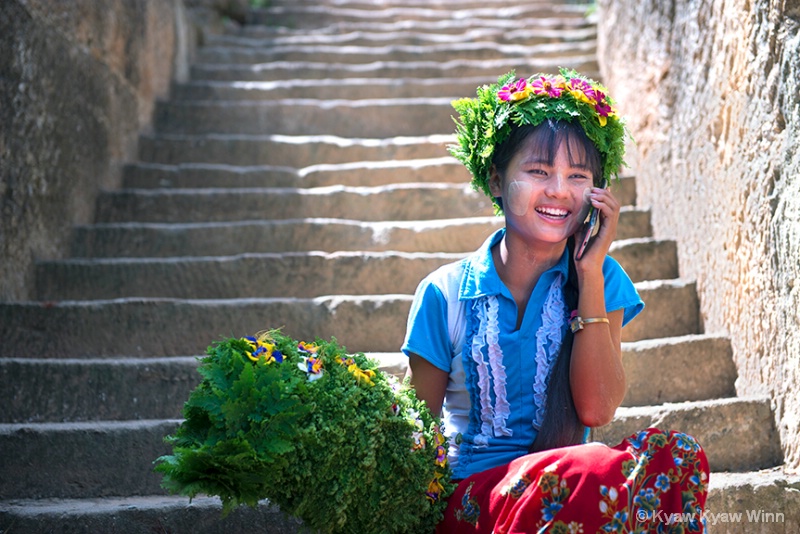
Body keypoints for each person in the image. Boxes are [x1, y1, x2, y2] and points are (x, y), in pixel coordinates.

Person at [402, 70, 709, 533]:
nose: (560, 191)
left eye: (578, 176)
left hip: (572, 488)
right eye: (539, 171)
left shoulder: (601, 278)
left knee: (676, 456)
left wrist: (587, 274)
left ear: (597, 194)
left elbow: (596, 409)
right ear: (497, 181)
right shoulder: (444, 294)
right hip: (475, 500)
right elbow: (415, 442)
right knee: (585, 473)